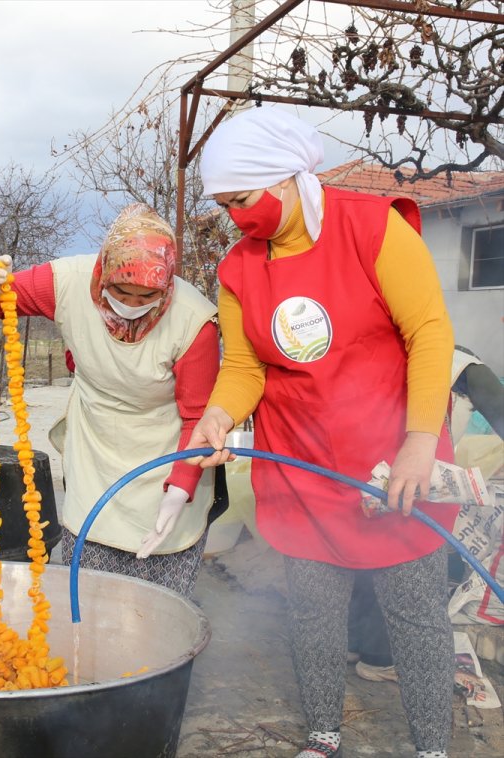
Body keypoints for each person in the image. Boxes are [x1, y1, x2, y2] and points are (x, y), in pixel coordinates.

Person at [186, 106, 459, 758]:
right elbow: (245, 364)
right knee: (311, 615)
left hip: (394, 464)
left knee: (416, 619)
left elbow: (429, 331)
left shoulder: (373, 229)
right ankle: (322, 735)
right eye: (225, 205)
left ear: (283, 179)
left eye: (242, 199)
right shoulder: (237, 269)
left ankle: (433, 749)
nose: (236, 217)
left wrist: (420, 441)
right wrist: (220, 413)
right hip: (300, 467)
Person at [0, 203, 224, 597]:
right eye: (122, 290)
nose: (134, 304)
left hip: (169, 456)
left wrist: (182, 486)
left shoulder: (194, 320)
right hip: (95, 454)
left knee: (157, 607)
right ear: (102, 271)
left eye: (148, 295)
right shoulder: (66, 282)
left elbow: (198, 418)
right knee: (89, 601)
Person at [349, 344, 504, 682]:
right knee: (400, 559)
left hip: (360, 472)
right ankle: (377, 657)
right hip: (399, 477)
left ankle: (351, 642)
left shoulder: (374, 346)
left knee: (360, 551)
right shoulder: (459, 362)